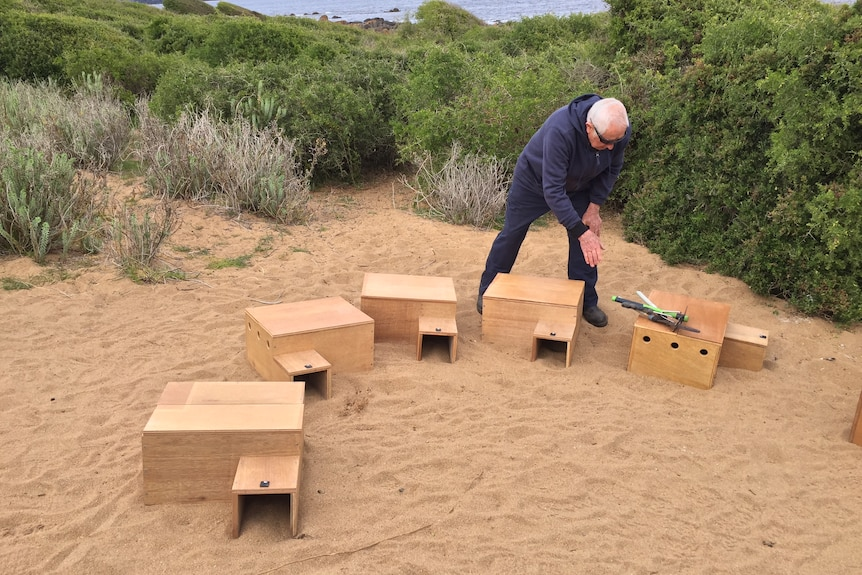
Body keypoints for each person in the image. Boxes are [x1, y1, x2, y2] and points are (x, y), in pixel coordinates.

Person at [477, 94, 630, 327]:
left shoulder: (616, 130)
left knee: (585, 238)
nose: (610, 147)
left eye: (615, 142)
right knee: (512, 233)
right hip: (535, 182)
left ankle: (586, 300)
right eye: (606, 141)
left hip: (580, 186)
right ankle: (488, 290)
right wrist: (582, 232)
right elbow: (553, 190)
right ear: (589, 127)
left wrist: (594, 207)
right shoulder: (562, 130)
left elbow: (612, 169)